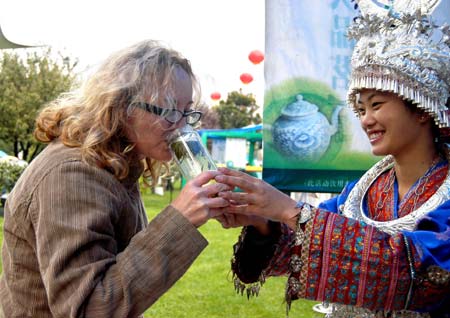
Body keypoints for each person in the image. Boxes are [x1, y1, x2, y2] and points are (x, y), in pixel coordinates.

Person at [214, 2, 450, 317]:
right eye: (361, 108)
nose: (366, 120)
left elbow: (419, 271)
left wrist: (288, 209)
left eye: (377, 104)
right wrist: (263, 222)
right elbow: (300, 247)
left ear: (421, 108)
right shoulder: (360, 193)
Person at [0, 40, 231, 317]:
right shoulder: (72, 174)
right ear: (123, 107)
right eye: (169, 110)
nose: (181, 126)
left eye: (187, 112)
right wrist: (179, 221)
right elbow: (89, 309)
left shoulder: (112, 163)